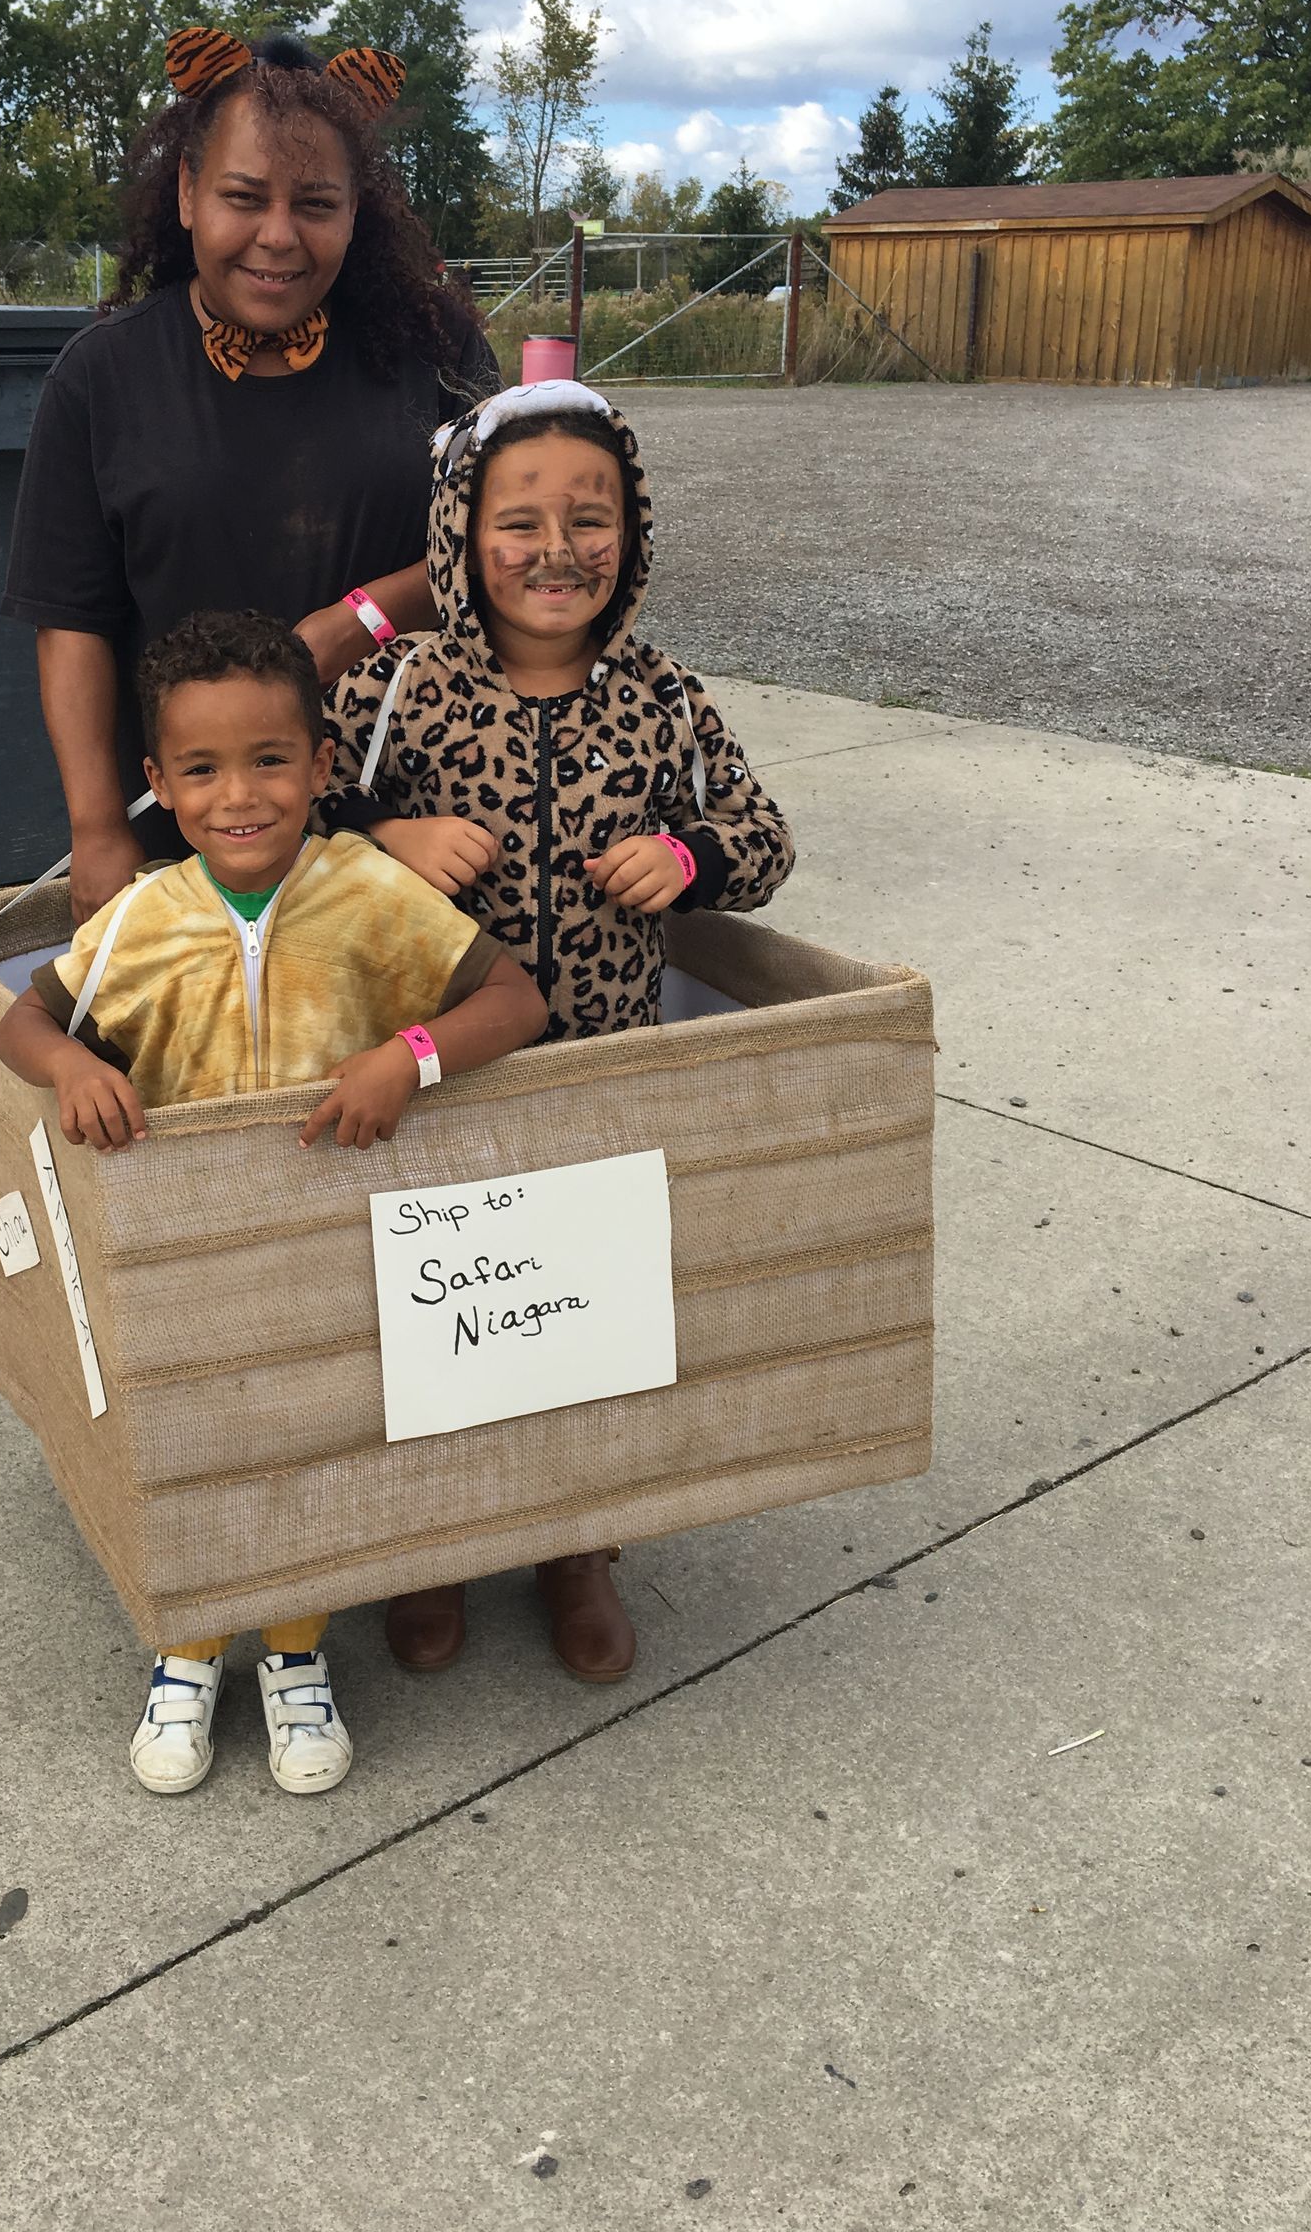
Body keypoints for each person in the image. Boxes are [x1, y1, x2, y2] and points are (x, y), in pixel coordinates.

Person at [0, 609, 547, 1796]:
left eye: (269, 760)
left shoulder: (371, 893)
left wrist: (411, 1054)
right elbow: (20, 1018)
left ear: (320, 763)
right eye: (199, 769)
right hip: (183, 1247)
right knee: (191, 1438)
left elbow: (514, 1000)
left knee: (307, 1439)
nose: (238, 795)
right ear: (156, 784)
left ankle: (297, 1654)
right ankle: (188, 1648)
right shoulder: (142, 919)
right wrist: (75, 1066)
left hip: (334, 1235)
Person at [322, 379, 796, 1682]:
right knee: (429, 1324)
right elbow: (268, 836)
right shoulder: (399, 690)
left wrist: (687, 860)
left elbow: (764, 838)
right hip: (432, 1080)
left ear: (631, 536)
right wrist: (387, 840)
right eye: (518, 518)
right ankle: (432, 1548)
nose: (556, 547)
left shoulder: (662, 698)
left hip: (600, 1079)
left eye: (592, 517)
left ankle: (575, 1548)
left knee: (580, 1325)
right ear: (463, 535)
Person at [2, 26, 500, 924]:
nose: (278, 237)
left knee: (408, 1058)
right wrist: (97, 825)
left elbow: (508, 549)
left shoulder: (437, 351)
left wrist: (361, 620)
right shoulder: (100, 377)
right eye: (243, 197)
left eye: (316, 203)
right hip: (195, 832)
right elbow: (71, 621)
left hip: (416, 813)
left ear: (358, 210)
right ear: (190, 193)